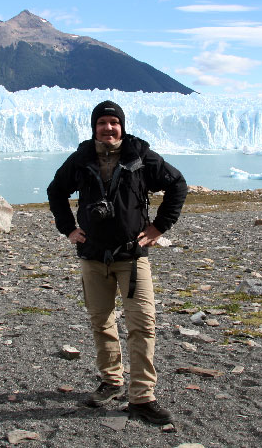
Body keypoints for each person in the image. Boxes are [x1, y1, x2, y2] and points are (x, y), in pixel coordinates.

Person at [47, 100, 187, 425]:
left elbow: (177, 185)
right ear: (94, 127)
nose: (108, 128)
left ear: (121, 126)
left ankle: (142, 398)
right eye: (102, 123)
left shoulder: (139, 156)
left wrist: (158, 228)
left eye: (114, 122)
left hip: (131, 257)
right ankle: (111, 382)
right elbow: (56, 191)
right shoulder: (82, 159)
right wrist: (68, 229)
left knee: (142, 324)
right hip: (93, 257)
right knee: (101, 321)